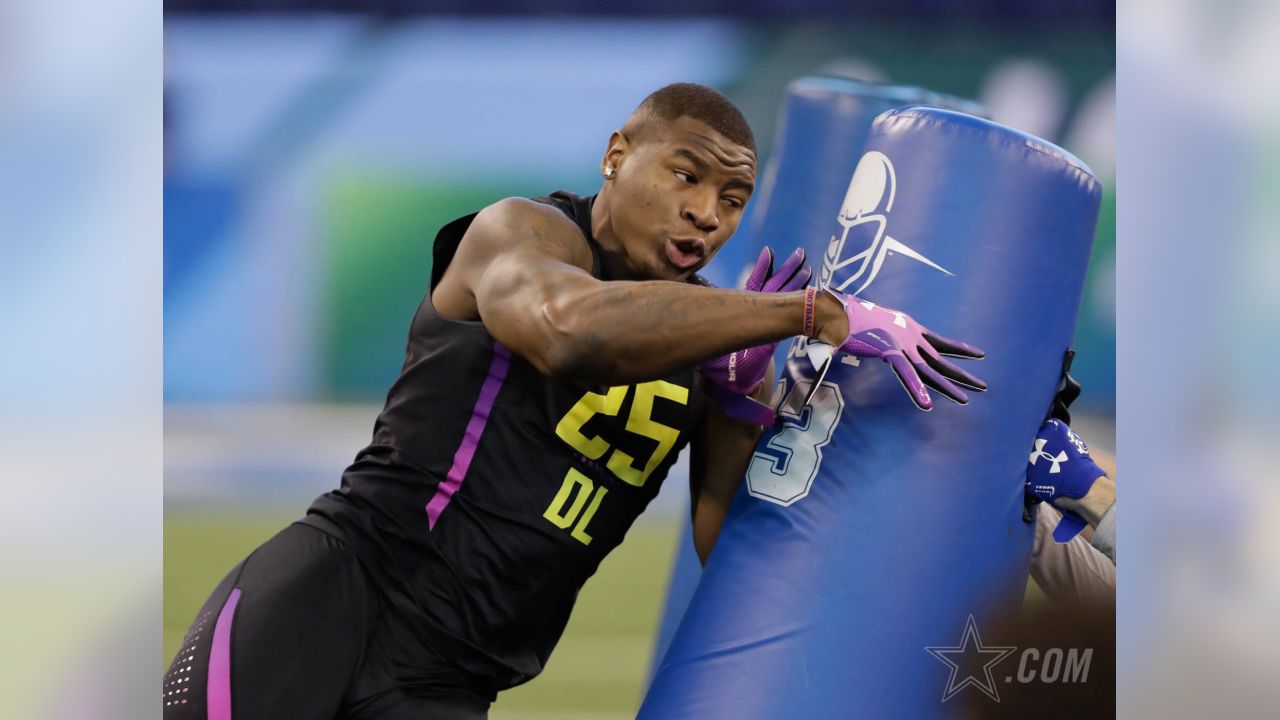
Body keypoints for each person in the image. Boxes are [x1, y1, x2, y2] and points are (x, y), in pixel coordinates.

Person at [164, 83, 987, 719]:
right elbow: (562, 328)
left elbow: (722, 545)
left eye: (732, 200)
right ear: (616, 156)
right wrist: (810, 312)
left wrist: (739, 402)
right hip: (338, 601)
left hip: (452, 676)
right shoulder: (524, 231)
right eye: (685, 176)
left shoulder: (712, 341)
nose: (705, 213)